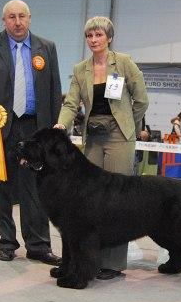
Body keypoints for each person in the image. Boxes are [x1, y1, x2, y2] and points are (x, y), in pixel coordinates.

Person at [0, 0, 62, 264]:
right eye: (11, 17)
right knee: (2, 188)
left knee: (37, 189)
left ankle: (39, 246)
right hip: (1, 128)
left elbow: (55, 90)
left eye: (22, 16)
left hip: (36, 128)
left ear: (30, 18)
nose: (17, 22)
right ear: (4, 20)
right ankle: (7, 242)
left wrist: (54, 130)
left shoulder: (47, 47)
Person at [55, 15, 148, 280]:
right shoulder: (79, 69)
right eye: (90, 36)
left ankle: (113, 264)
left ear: (109, 38)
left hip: (119, 135)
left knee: (118, 199)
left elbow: (141, 100)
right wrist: (62, 125)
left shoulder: (125, 63)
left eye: (99, 35)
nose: (94, 40)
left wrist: (129, 124)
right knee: (89, 201)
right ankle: (88, 260)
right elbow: (71, 103)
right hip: (92, 135)